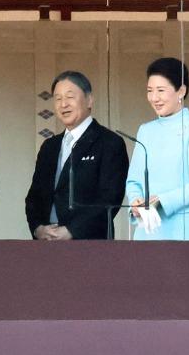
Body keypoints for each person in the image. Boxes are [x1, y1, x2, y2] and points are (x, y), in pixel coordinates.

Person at [24, 70, 128, 241]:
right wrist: (38, 229)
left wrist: (72, 230)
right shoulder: (50, 146)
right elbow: (34, 197)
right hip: (46, 244)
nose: (63, 104)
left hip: (89, 244)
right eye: (58, 99)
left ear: (89, 100)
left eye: (70, 97)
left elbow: (110, 198)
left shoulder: (109, 142)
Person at [125, 58, 189, 242]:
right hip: (149, 228)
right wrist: (136, 201)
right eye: (149, 91)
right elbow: (134, 180)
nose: (154, 98)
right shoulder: (145, 130)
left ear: (181, 91)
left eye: (161, 90)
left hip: (187, 226)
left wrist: (162, 202)